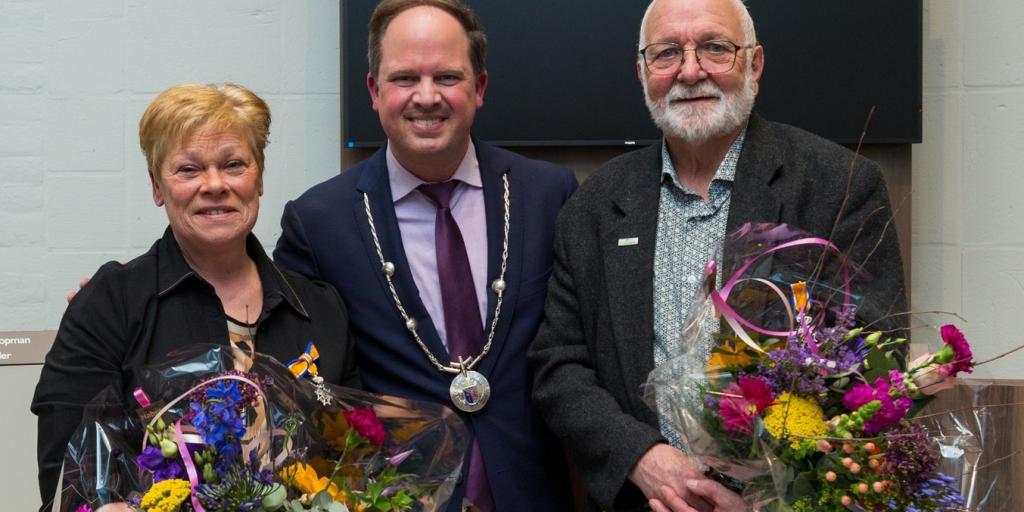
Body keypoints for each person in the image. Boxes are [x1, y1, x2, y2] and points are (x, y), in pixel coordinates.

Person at [528, 0, 909, 510]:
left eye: (714, 48)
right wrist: (640, 457)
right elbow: (560, 365)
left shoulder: (837, 186)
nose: (690, 71)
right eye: (666, 54)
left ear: (754, 63)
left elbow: (875, 359)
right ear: (643, 73)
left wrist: (765, 489)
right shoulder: (595, 205)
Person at [273, 1, 576, 511]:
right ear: (374, 91)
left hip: (534, 493)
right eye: (405, 78)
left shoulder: (547, 195)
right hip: (395, 498)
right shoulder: (319, 222)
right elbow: (290, 366)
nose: (427, 96)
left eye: (448, 76)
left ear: (479, 87)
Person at [32, 83, 359, 510]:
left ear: (259, 178)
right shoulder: (110, 303)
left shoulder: (320, 308)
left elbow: (356, 454)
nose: (215, 184)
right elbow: (66, 468)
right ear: (156, 186)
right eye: (188, 170)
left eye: (234, 164)